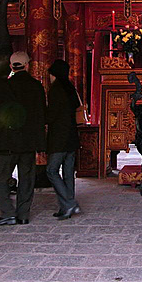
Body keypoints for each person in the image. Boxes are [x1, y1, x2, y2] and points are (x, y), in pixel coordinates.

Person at [0, 51, 46, 226]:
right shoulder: (37, 86)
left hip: (9, 141)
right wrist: (40, 142)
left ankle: (7, 212)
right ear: (27, 66)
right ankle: (23, 215)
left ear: (11, 66)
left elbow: (1, 115)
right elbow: (41, 115)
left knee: (1, 178)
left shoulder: (5, 86)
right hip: (29, 142)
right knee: (27, 179)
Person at [46, 59, 82, 220]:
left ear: (54, 74)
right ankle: (68, 205)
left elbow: (51, 115)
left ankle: (68, 204)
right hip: (71, 136)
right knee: (68, 173)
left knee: (51, 170)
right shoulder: (70, 88)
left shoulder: (56, 90)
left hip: (59, 137)